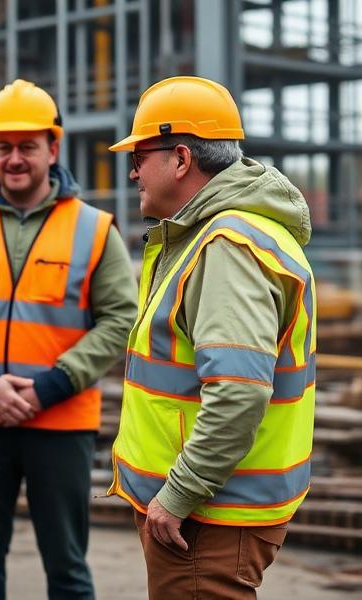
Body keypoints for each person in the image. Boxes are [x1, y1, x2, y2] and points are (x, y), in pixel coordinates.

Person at [107, 76, 316, 599]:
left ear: (181, 159)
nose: (133, 171)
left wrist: (177, 494)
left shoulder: (227, 247)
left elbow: (239, 392)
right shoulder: (214, 235)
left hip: (206, 518)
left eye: (140, 156)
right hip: (210, 511)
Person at [0, 79, 138, 600]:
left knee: (67, 569)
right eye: (3, 147)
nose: (15, 158)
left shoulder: (95, 229)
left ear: (53, 148)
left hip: (61, 422)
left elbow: (120, 319)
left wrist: (50, 387)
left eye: (27, 146)